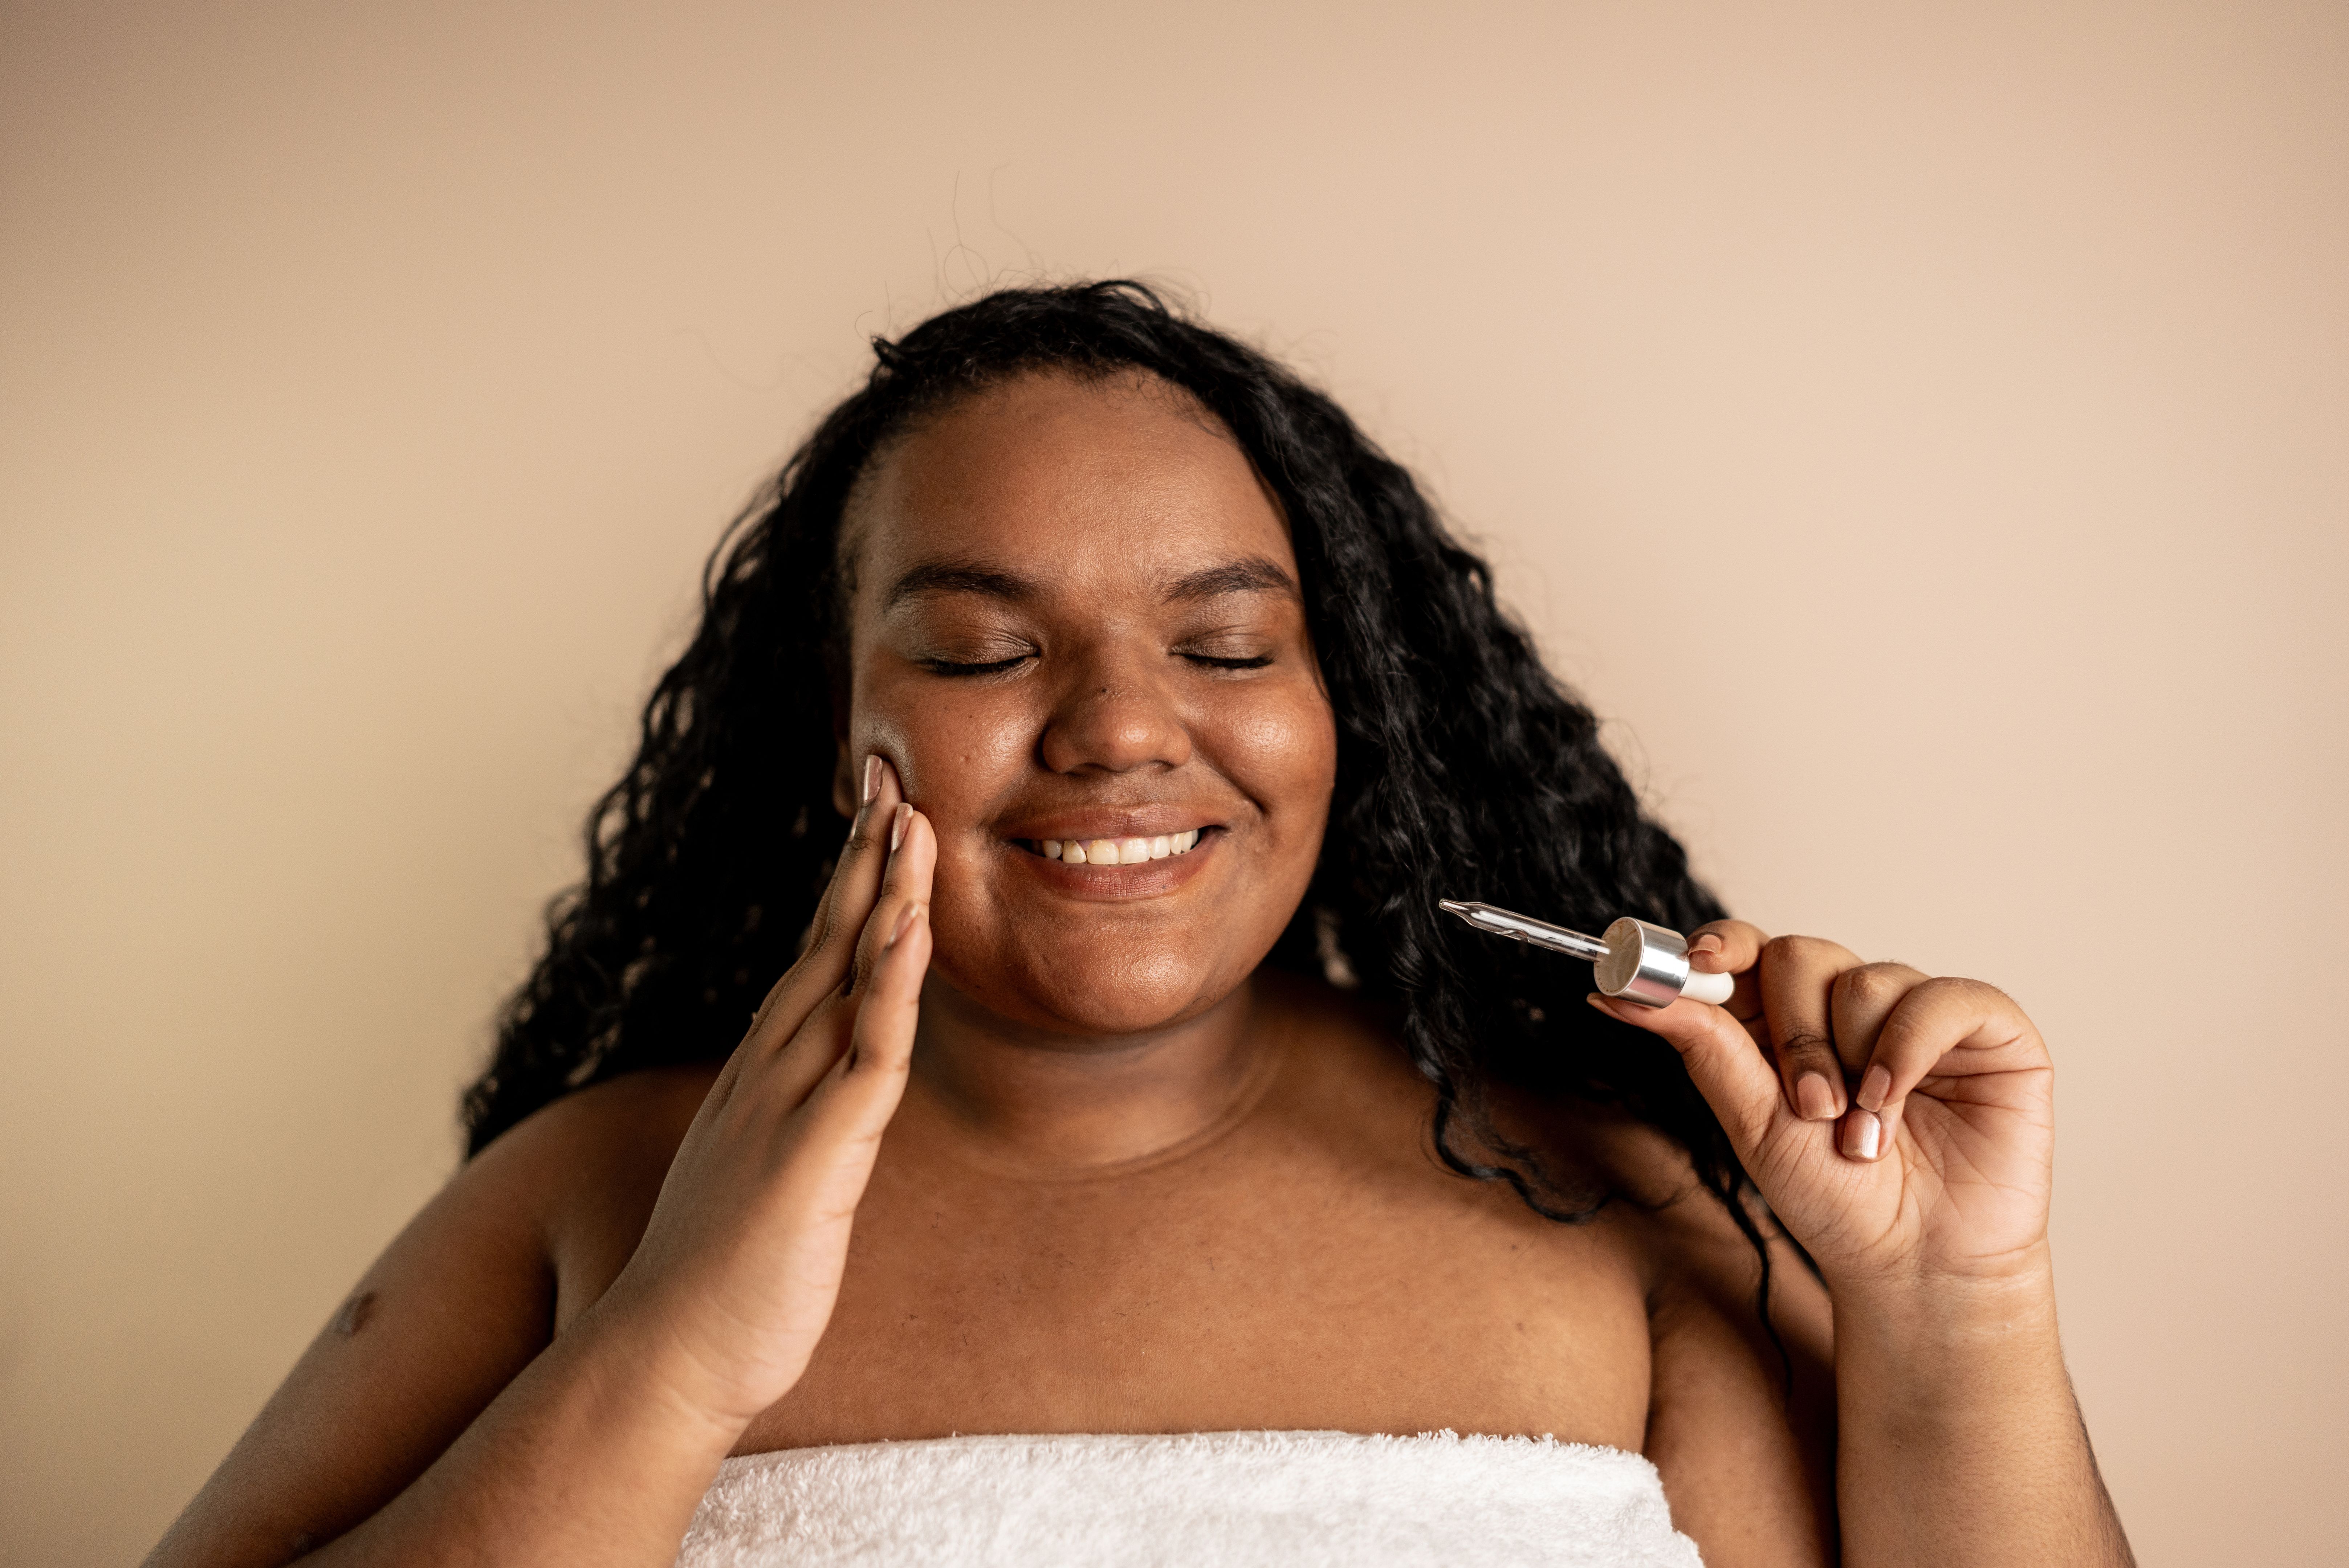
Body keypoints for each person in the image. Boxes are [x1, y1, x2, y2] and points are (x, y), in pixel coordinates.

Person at [147, 282, 2133, 1567]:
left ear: (1344, 706)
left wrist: (1956, 1320)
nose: (1116, 731)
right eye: (987, 647)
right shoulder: (598, 1198)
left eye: (1226, 643)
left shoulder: (1611, 1195)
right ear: (832, 725)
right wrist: (672, 1357)